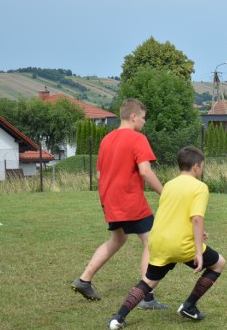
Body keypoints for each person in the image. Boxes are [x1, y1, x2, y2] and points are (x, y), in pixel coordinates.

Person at [108, 145, 226, 330]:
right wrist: (198, 251)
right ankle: (189, 306)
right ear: (196, 167)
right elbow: (196, 218)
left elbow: (173, 215)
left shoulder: (169, 185)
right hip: (180, 245)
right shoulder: (200, 187)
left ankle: (118, 318)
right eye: (202, 165)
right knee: (219, 263)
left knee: (149, 281)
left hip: (159, 241)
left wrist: (197, 232)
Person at [72, 98, 168, 310]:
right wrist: (165, 193)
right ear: (134, 116)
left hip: (109, 199)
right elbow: (145, 171)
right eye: (143, 118)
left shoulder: (106, 140)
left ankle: (84, 280)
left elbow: (99, 174)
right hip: (129, 199)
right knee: (151, 242)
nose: (144, 123)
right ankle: (146, 296)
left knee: (118, 238)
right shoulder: (138, 138)